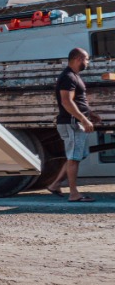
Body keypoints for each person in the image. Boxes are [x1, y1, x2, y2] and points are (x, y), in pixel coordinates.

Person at [45, 47, 99, 202]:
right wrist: (83, 119)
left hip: (75, 122)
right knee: (73, 159)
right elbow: (67, 101)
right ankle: (74, 194)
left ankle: (55, 185)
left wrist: (90, 113)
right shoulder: (68, 77)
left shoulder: (74, 76)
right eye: (86, 59)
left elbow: (78, 100)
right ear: (78, 59)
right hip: (72, 124)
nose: (88, 62)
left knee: (74, 157)